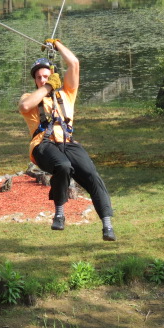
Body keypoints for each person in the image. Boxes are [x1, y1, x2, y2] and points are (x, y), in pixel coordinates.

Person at [18, 38, 116, 241]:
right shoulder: (30, 97)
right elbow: (25, 107)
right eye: (39, 78)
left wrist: (57, 45)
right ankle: (59, 213)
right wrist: (47, 87)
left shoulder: (67, 93)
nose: (43, 80)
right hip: (43, 145)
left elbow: (74, 63)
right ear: (35, 81)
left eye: (46, 76)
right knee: (62, 166)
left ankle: (107, 225)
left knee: (91, 174)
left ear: (53, 76)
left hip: (68, 143)